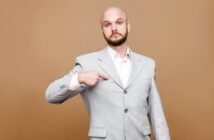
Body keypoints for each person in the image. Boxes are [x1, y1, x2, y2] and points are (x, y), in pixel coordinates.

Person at [45, 6, 170, 140]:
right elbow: (50, 95)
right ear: (102, 30)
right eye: (107, 24)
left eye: (119, 22)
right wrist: (79, 78)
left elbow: (157, 116)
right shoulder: (87, 63)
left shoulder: (147, 64)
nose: (114, 28)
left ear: (128, 26)